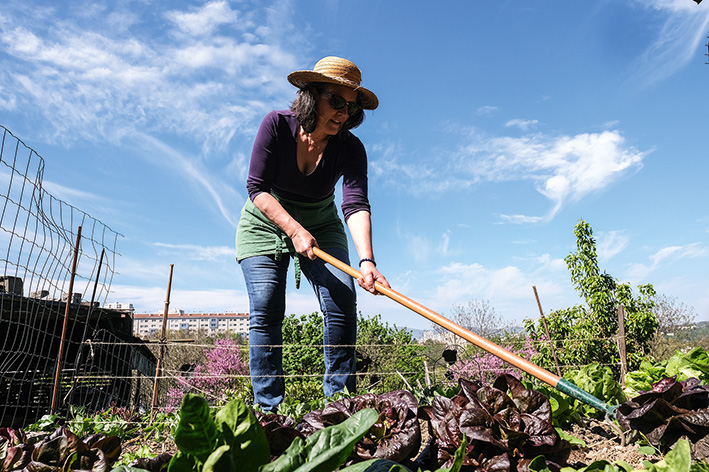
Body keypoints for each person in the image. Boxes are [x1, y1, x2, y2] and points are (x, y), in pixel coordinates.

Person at [236, 56, 390, 412]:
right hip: (266, 219)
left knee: (342, 298)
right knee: (266, 308)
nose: (343, 113)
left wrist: (367, 260)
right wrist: (292, 228)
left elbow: (354, 204)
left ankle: (339, 404)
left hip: (321, 221)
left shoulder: (350, 148)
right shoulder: (276, 124)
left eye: (351, 108)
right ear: (311, 96)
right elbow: (256, 188)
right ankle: (269, 411)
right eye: (336, 101)